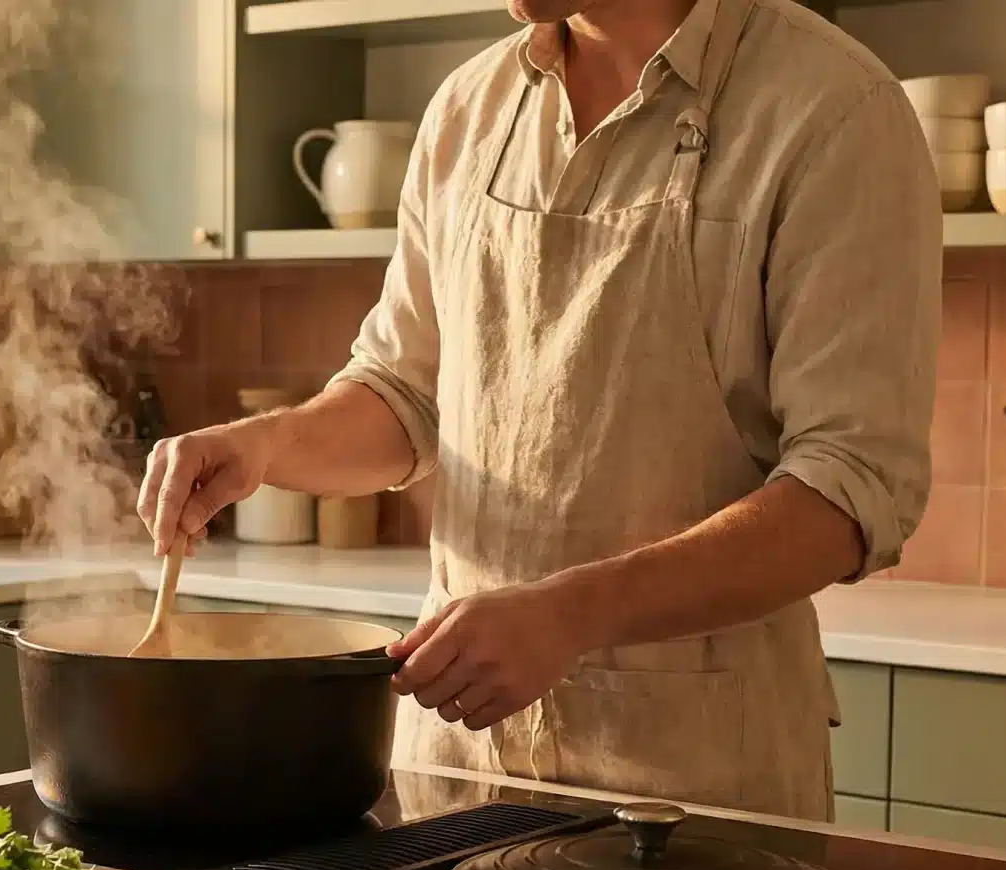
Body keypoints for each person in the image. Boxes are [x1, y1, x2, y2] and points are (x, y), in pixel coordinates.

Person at [138, 0, 938, 821]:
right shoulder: (467, 109)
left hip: (695, 794)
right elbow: (405, 393)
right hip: (458, 775)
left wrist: (571, 614)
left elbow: (848, 490)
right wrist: (267, 444)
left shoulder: (832, 109)